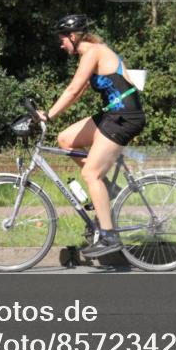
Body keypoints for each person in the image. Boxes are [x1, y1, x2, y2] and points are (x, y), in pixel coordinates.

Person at [37, 14, 146, 258]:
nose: (61, 44)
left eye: (62, 39)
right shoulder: (91, 55)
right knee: (65, 139)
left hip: (125, 116)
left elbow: (73, 89)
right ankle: (107, 190)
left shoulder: (94, 51)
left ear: (73, 37)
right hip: (112, 115)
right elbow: (79, 90)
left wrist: (49, 116)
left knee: (89, 173)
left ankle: (108, 235)